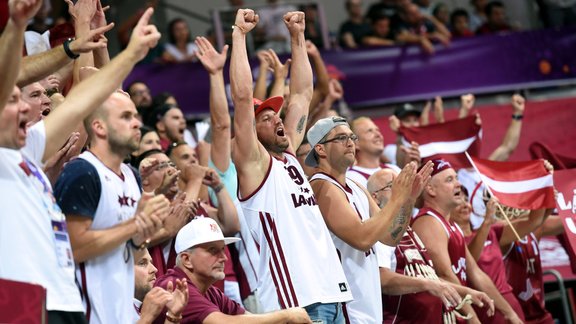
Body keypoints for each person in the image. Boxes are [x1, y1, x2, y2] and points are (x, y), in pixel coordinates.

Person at [52, 8, 175, 323]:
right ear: (100, 128)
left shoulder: (130, 176)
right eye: (126, 117)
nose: (137, 124)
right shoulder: (82, 171)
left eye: (135, 116)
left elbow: (127, 245)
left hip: (121, 313)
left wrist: (144, 229)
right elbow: (76, 248)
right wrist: (135, 225)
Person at [230, 9, 352, 320]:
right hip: (296, 302)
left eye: (276, 116)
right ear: (250, 134)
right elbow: (243, 98)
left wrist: (298, 37)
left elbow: (301, 93)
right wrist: (239, 36)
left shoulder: (290, 158)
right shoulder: (255, 165)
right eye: (266, 119)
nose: (277, 121)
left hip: (332, 294)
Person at [307, 116, 433, 322]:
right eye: (340, 138)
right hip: (345, 308)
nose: (350, 143)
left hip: (368, 307)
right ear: (320, 149)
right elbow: (362, 239)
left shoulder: (356, 188)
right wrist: (396, 199)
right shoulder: (322, 186)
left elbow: (390, 237)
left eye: (351, 137)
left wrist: (408, 201)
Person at [367, 169, 494, 323]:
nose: (402, 189)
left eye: (404, 184)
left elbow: (430, 279)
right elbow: (383, 279)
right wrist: (426, 285)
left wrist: (465, 292)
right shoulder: (379, 231)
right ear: (375, 197)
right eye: (393, 185)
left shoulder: (408, 232)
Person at [411, 159, 524, 323]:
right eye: (450, 180)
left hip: (455, 311)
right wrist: (473, 318)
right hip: (438, 316)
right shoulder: (428, 222)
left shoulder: (452, 225)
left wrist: (510, 314)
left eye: (456, 178)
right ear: (430, 189)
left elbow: (476, 273)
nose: (458, 184)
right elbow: (445, 275)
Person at [154, 217, 312, 323]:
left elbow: (248, 318)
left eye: (223, 249)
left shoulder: (210, 292)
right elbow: (223, 322)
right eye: (213, 250)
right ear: (187, 259)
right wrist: (287, 315)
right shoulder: (175, 285)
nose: (224, 257)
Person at [451, 188, 527, 323]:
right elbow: (470, 265)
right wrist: (487, 222)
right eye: (457, 201)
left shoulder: (492, 232)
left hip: (509, 302)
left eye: (466, 200)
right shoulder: (452, 241)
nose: (464, 205)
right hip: (483, 307)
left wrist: (547, 191)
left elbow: (535, 221)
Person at [133, 248, 189, 324]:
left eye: (151, 263)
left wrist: (173, 315)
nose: (155, 269)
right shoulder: (114, 309)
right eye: (142, 263)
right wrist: (145, 318)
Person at [347, 116, 401, 188]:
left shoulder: (394, 169)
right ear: (356, 143)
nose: (378, 135)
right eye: (370, 131)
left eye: (377, 130)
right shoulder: (351, 178)